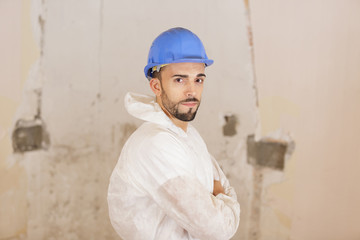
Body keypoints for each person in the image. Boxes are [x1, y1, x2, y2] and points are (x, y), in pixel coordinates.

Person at [107, 27, 240, 240]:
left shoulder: (187, 136)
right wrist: (222, 197)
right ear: (156, 86)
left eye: (198, 79)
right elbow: (216, 229)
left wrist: (217, 197)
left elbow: (218, 189)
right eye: (180, 79)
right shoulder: (156, 144)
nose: (191, 90)